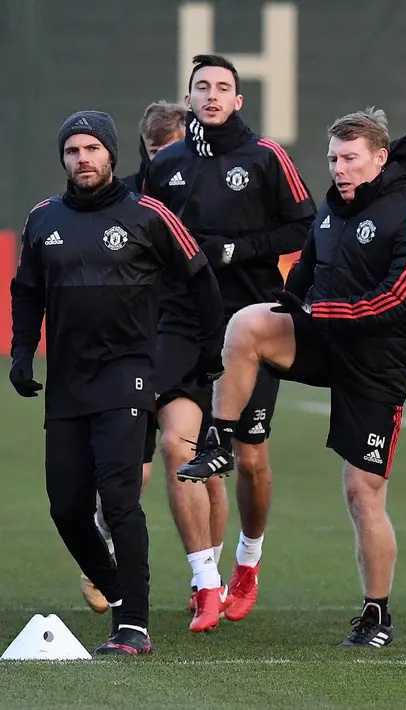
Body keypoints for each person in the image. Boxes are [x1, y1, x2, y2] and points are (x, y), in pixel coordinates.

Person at [177, 108, 406, 646]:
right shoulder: (330, 210)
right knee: (248, 324)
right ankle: (220, 439)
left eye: (349, 159)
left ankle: (375, 615)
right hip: (323, 340)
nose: (339, 169)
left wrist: (323, 314)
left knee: (362, 493)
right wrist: (290, 305)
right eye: (333, 159)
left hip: (375, 367)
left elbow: (401, 302)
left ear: (379, 157)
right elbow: (298, 281)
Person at [10, 110, 224, 654]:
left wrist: (207, 349)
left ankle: (133, 623)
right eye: (73, 151)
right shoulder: (42, 219)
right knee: (66, 508)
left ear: (111, 155)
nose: (83, 159)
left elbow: (200, 278)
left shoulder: (148, 214)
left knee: (120, 499)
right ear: (64, 158)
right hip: (66, 382)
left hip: (127, 377)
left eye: (92, 149)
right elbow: (27, 290)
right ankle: (117, 590)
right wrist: (20, 353)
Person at [144, 54, 316, 632]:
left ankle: (247, 561)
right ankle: (205, 582)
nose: (212, 95)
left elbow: (304, 225)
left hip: (250, 327)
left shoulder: (266, 158)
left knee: (248, 459)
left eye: (223, 88)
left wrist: (233, 251)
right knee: (178, 447)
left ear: (239, 100)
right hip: (181, 323)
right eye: (202, 87)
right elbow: (143, 232)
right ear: (188, 97)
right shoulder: (165, 163)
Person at [77, 100, 192, 618]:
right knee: (132, 471)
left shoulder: (202, 194)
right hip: (137, 343)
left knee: (184, 449)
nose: (165, 160)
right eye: (155, 151)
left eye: (174, 149)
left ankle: (208, 580)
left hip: (186, 337)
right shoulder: (127, 198)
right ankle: (102, 544)